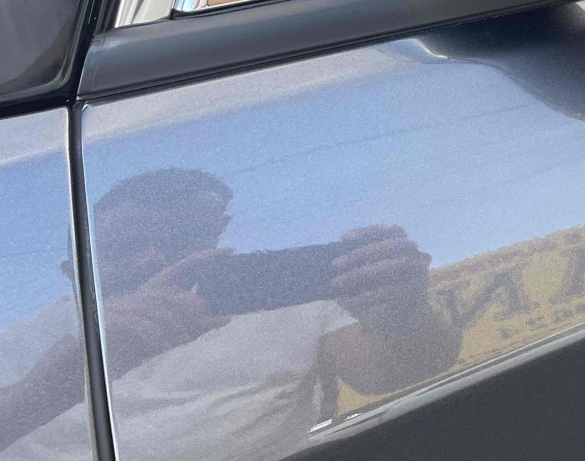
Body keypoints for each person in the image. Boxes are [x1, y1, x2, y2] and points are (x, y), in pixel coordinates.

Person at [0, 168, 459, 460]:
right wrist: (69, 374)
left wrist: (404, 318)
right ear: (71, 270)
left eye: (179, 239)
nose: (151, 258)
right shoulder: (16, 338)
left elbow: (384, 374)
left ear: (215, 238)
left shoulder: (278, 297)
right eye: (121, 249)